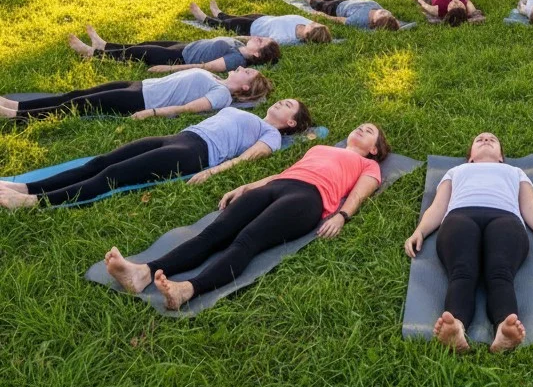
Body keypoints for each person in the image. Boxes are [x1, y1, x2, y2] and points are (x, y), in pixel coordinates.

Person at [103, 122, 390, 310]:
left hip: (308, 198)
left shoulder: (368, 165)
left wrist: (342, 216)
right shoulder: (320, 147)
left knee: (247, 240)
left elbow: (359, 195)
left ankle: (188, 290)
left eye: (370, 131)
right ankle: (142, 273)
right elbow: (284, 173)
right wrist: (247, 185)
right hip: (279, 185)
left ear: (374, 149)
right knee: (213, 234)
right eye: (361, 126)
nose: (363, 129)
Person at [0, 100, 312, 209]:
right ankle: (24, 187)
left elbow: (248, 158)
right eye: (282, 100)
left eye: (287, 106)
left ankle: (32, 202)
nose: (280, 103)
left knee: (112, 176)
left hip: (194, 154)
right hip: (178, 137)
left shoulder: (270, 134)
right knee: (100, 162)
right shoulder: (253, 116)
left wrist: (212, 172)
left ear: (291, 123)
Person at [404, 132, 533, 353]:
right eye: (479, 139)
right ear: (470, 158)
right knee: (462, 271)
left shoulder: (515, 172)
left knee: (500, 272)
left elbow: (530, 206)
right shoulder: (456, 171)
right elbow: (438, 206)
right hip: (460, 217)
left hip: (505, 219)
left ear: (501, 158)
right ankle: (455, 326)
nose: (486, 139)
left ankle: (504, 330)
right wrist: (420, 231)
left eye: (492, 140)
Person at [0, 67, 272, 121]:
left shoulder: (222, 95)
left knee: (81, 104)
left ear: (245, 88)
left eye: (246, 72)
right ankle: (17, 104)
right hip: (140, 86)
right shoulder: (216, 78)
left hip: (142, 100)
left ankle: (16, 115)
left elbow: (191, 108)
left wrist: (151, 113)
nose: (240, 67)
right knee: (77, 93)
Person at [67, 25, 281, 71]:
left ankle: (91, 53)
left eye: (261, 42)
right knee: (142, 46)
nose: (258, 38)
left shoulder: (236, 60)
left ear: (256, 54)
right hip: (186, 47)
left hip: (180, 58)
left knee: (138, 54)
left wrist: (168, 69)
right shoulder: (242, 45)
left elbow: (206, 67)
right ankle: (103, 45)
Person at [190, 0, 331, 45]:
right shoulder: (307, 23)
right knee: (232, 17)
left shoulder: (286, 38)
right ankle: (219, 13)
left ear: (307, 35)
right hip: (263, 18)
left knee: (227, 24)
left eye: (314, 26)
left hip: (251, 28)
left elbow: (261, 40)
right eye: (316, 24)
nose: (313, 23)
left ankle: (203, 18)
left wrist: (239, 38)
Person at [297, 0, 400, 31]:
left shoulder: (359, 20)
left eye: (382, 14)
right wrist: (393, 22)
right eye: (388, 13)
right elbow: (393, 22)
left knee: (321, 4)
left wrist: (323, 15)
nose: (384, 11)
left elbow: (341, 20)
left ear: (374, 21)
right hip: (347, 1)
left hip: (336, 9)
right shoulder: (381, 10)